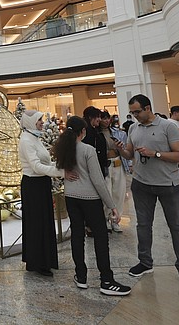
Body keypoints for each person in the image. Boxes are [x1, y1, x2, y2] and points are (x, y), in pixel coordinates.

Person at [121, 94, 179, 290]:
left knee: (177, 227)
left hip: (168, 184)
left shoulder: (168, 127)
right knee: (143, 225)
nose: (135, 115)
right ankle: (145, 262)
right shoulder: (133, 128)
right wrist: (121, 149)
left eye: (137, 111)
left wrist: (154, 153)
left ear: (148, 108)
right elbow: (130, 154)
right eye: (132, 112)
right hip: (141, 184)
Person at [54, 116, 131, 296]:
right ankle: (106, 280)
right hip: (90, 198)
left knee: (77, 235)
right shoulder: (88, 149)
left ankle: (81, 276)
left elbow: (61, 171)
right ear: (83, 131)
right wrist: (111, 205)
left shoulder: (63, 148)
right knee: (101, 237)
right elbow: (97, 180)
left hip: (71, 196)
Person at [19, 110, 66, 276]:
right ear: (31, 122)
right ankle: (38, 262)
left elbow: (45, 161)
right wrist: (60, 173)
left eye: (41, 120)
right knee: (37, 224)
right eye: (39, 120)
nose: (42, 122)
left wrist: (58, 166)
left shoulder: (35, 137)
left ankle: (45, 260)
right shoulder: (26, 140)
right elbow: (35, 166)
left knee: (44, 223)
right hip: (33, 186)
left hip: (41, 184)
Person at [100, 111, 129, 232]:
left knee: (119, 191)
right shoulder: (97, 134)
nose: (106, 121)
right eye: (103, 119)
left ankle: (116, 219)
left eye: (107, 118)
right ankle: (106, 218)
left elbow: (126, 148)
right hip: (105, 165)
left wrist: (130, 164)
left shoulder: (118, 133)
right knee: (107, 192)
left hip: (118, 162)